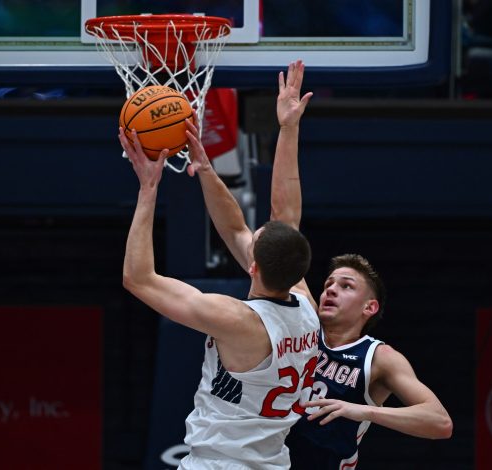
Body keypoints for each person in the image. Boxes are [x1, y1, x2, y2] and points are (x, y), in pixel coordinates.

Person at [187, 60, 453, 469]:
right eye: (330, 281)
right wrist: (287, 130)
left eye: (347, 286)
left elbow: (439, 422)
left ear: (371, 307)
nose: (330, 288)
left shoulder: (376, 357)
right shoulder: (298, 315)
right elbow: (274, 224)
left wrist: (363, 412)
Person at [118, 122, 320, 470]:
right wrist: (208, 170)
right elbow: (242, 227)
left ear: (252, 267)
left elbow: (138, 278)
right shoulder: (306, 307)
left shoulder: (239, 321)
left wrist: (148, 189)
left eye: (251, 244)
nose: (246, 236)